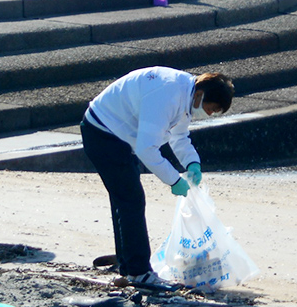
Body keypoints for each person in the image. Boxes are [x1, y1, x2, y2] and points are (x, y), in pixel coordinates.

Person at [80, 67, 235, 290]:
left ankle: (127, 260)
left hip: (118, 135)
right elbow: (147, 149)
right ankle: (139, 272)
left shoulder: (187, 95)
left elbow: (179, 136)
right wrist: (174, 180)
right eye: (211, 109)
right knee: (131, 199)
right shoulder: (169, 94)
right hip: (103, 132)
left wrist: (193, 162)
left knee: (124, 197)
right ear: (201, 95)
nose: (209, 115)